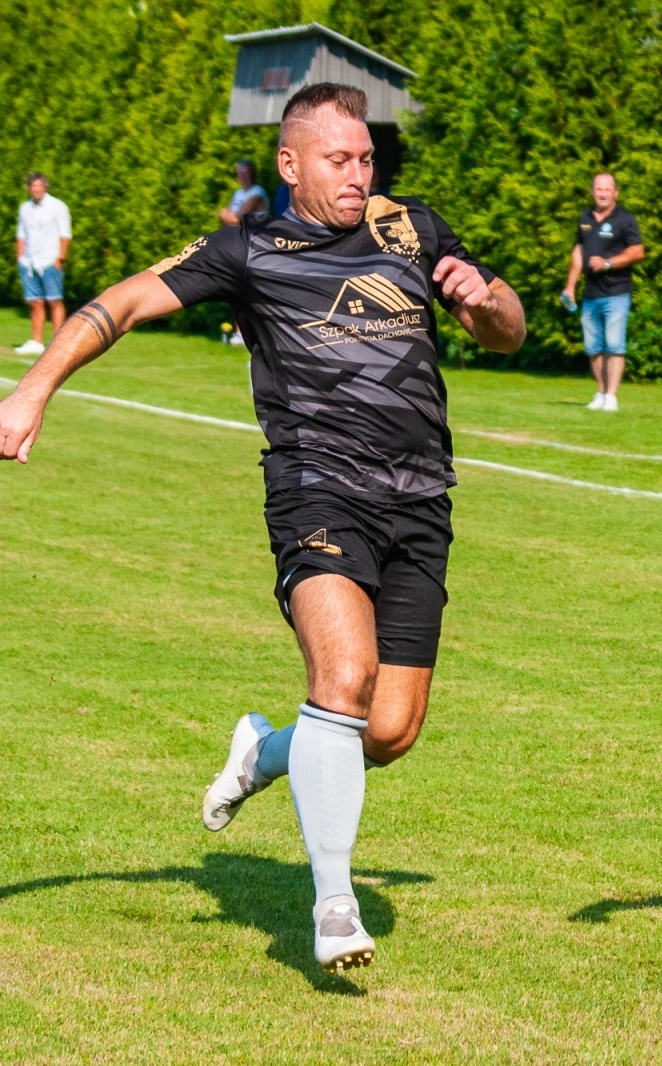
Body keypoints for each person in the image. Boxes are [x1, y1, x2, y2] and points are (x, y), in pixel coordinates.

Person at [0, 82, 526, 974]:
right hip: (317, 490)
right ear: (290, 165)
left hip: (422, 502)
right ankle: (332, 904)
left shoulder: (414, 228)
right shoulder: (248, 250)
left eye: (366, 159)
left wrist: (484, 299)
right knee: (344, 675)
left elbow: (507, 332)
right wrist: (31, 389)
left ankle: (263, 751)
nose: (360, 176)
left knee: (388, 731)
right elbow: (119, 306)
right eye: (339, 160)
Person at [561, 173, 644, 412]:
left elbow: (637, 251)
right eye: (599, 189)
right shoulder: (585, 218)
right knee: (593, 346)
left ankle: (612, 397)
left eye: (607, 189)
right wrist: (570, 286)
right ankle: (600, 391)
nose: (603, 193)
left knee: (615, 344)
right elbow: (578, 252)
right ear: (592, 191)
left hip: (617, 292)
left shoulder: (625, 219)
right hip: (590, 293)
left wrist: (608, 263)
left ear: (615, 192)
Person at [14, 172, 71, 356]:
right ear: (29, 188)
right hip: (30, 262)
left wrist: (60, 258)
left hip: (50, 261)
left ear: (45, 187)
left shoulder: (57, 207)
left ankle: (57, 342)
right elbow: (21, 234)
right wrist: (20, 258)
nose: (36, 189)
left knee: (55, 300)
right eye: (33, 186)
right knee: (35, 302)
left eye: (39, 186)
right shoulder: (25, 208)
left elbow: (65, 234)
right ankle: (37, 340)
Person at [219, 159, 268, 226]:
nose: (243, 177)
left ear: (252, 174)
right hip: (235, 232)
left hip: (252, 234)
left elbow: (239, 220)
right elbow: (226, 212)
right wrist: (223, 215)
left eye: (246, 173)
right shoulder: (238, 193)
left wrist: (223, 215)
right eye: (240, 173)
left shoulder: (257, 193)